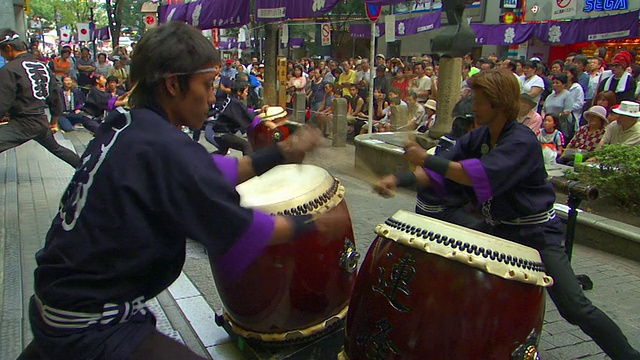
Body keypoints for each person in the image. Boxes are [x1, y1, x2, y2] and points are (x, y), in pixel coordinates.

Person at [22, 21, 349, 360]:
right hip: (89, 325)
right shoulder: (166, 148)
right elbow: (238, 228)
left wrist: (281, 152)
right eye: (206, 85)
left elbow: (206, 172)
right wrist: (313, 225)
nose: (212, 97)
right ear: (173, 84)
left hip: (58, 305)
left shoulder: (127, 125)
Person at [373, 68, 640, 360]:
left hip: (537, 235)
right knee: (463, 282)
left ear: (498, 103)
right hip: (499, 231)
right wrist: (398, 179)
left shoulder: (521, 141)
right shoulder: (481, 137)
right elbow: (441, 170)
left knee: (575, 307)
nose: (473, 106)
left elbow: (470, 176)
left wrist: (426, 158)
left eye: (479, 100)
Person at [0, 28, 81, 168]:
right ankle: (88, 171)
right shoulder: (42, 67)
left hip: (22, 122)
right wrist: (54, 122)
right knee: (57, 149)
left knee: (57, 149)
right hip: (40, 121)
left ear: (8, 47)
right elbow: (56, 98)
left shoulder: (10, 69)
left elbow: (2, 102)